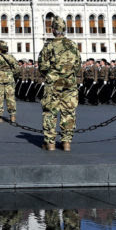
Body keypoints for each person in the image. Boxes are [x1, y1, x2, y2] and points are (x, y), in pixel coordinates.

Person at [38, 16, 81, 151]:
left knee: (50, 111)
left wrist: (52, 76)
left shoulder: (49, 46)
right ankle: (66, 142)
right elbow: (78, 64)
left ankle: (50, 143)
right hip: (70, 83)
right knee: (68, 111)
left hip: (54, 83)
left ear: (53, 30)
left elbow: (42, 66)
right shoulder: (73, 45)